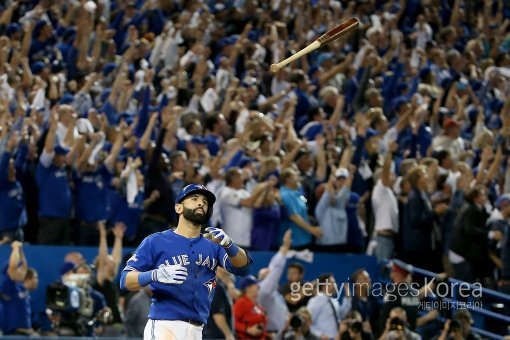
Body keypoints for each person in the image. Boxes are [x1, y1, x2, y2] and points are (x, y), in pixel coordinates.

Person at [120, 184, 252, 340]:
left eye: (204, 201)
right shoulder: (156, 241)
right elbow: (125, 281)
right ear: (178, 208)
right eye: (194, 198)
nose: (201, 203)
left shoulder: (213, 245)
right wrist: (154, 274)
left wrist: (230, 246)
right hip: (165, 325)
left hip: (197, 330)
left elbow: (244, 268)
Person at [1, 241, 39, 336]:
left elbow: (24, 265)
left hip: (26, 332)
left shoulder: (21, 287)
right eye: (19, 269)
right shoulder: (9, 286)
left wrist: (20, 250)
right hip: (14, 333)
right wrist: (15, 249)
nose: (23, 271)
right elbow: (13, 266)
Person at [257, 230, 292, 334]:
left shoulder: (275, 293)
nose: (270, 273)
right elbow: (275, 270)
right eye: (267, 274)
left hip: (283, 332)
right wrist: (284, 249)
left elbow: (272, 268)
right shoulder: (263, 291)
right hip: (272, 333)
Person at [307, 273, 351, 339]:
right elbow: (307, 322)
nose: (335, 285)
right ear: (324, 285)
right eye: (333, 283)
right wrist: (319, 335)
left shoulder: (334, 302)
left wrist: (347, 298)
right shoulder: (316, 300)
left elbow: (342, 314)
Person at [203, 267, 236, 340]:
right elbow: (218, 315)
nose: (228, 265)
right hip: (216, 336)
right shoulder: (217, 286)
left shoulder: (215, 284)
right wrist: (228, 334)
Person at [233, 275, 267, 339]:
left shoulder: (256, 304)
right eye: (255, 284)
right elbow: (233, 322)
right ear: (248, 288)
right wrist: (248, 329)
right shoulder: (241, 302)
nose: (258, 287)